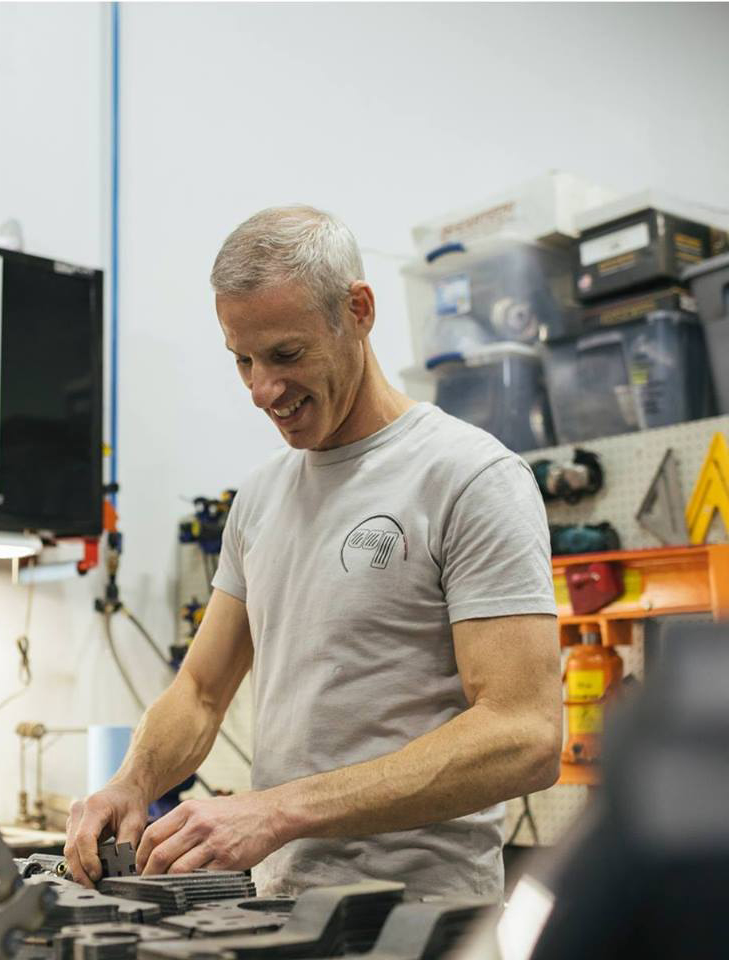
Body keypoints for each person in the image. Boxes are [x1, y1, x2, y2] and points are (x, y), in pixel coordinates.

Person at [66, 205, 561, 901]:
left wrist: (276, 811)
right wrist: (131, 782)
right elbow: (200, 691)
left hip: (417, 922)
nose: (261, 390)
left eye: (286, 355)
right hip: (277, 914)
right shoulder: (261, 497)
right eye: (242, 360)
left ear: (358, 311)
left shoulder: (470, 478)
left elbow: (524, 732)